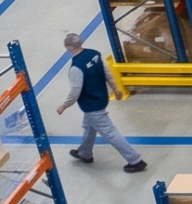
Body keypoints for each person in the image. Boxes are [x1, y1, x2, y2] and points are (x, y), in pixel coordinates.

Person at [57, 32, 145, 172]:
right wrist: (115, 89)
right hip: (101, 98)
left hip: (92, 105)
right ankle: (85, 153)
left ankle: (135, 160)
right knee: (89, 126)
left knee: (110, 132)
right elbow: (107, 73)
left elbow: (75, 91)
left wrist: (64, 105)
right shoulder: (94, 54)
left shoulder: (76, 67)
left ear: (69, 48)